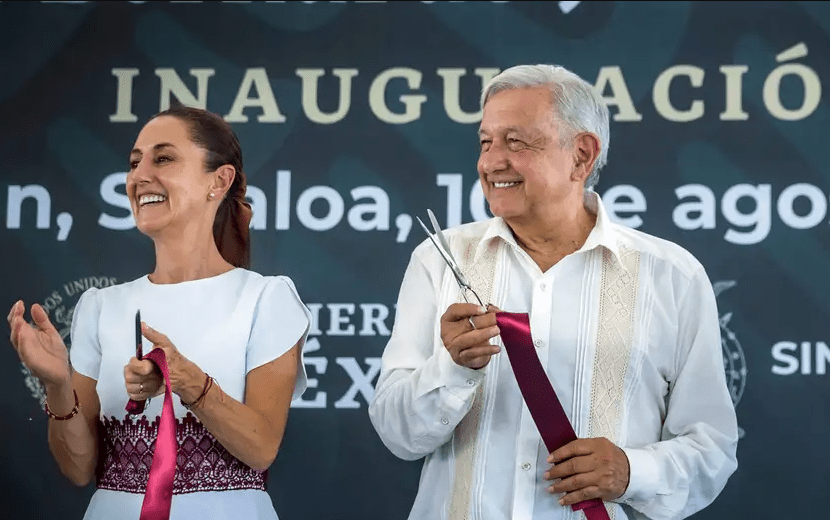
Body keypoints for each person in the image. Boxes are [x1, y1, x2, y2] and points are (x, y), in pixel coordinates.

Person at [368, 64, 739, 520]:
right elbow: (396, 432)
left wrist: (630, 471)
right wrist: (453, 369)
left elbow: (712, 449)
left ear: (582, 155)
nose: (491, 162)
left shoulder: (673, 277)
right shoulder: (440, 259)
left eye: (516, 142)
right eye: (486, 142)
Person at [8, 105, 311, 519]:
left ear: (219, 181)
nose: (139, 176)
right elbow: (78, 469)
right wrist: (58, 385)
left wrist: (186, 380)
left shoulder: (266, 300)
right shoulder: (100, 307)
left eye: (163, 158)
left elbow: (260, 448)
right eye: (134, 163)